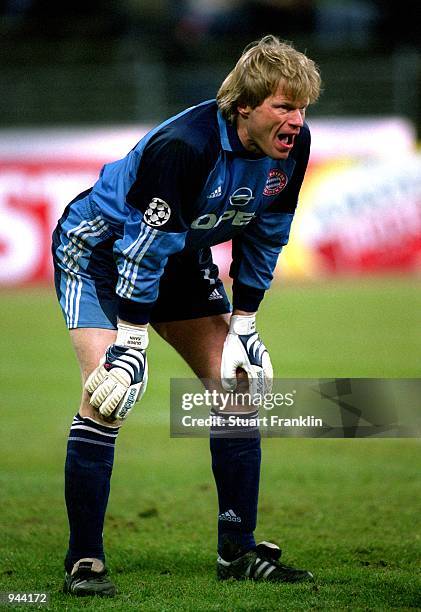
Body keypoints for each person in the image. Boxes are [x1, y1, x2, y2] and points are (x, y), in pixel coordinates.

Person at [52, 34, 321, 597]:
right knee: (108, 394)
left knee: (236, 388)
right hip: (101, 251)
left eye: (301, 107)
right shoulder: (184, 144)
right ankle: (85, 560)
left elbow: (266, 237)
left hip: (177, 253)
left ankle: (237, 550)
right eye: (283, 106)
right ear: (244, 105)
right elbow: (141, 250)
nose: (296, 120)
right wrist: (130, 341)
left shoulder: (291, 148)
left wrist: (244, 326)